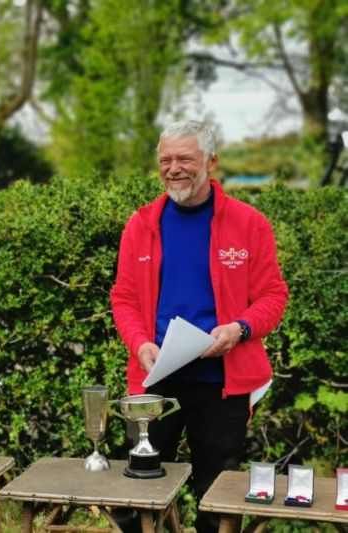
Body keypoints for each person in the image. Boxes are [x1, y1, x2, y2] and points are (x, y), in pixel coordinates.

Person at [110, 120, 288, 533]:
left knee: (217, 492)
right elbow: (123, 298)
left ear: (211, 162)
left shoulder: (249, 224)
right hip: (156, 377)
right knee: (134, 492)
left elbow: (273, 297)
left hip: (222, 383)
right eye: (165, 159)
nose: (174, 168)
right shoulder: (141, 225)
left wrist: (240, 328)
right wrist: (139, 344)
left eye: (185, 158)